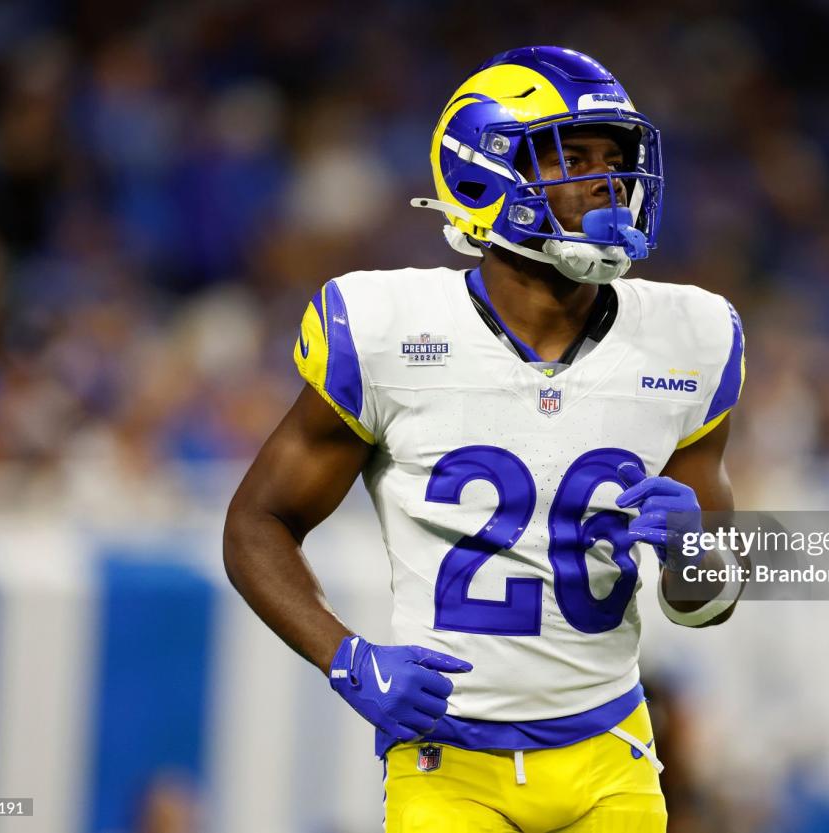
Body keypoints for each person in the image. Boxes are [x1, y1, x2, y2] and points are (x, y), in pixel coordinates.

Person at [224, 45, 744, 832]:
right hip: (448, 757)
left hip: (610, 749)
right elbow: (255, 524)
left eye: (615, 159)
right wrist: (346, 655)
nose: (608, 183)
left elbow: (710, 602)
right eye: (573, 158)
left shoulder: (691, 336)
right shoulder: (387, 331)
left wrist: (692, 553)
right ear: (483, 174)